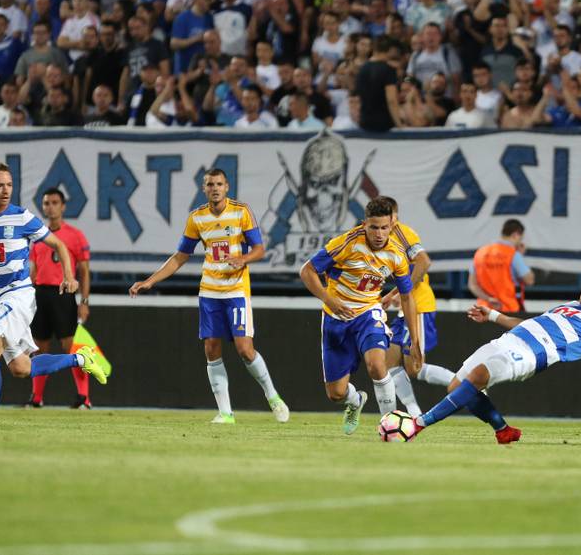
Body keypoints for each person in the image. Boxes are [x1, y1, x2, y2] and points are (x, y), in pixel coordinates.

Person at [0, 163, 106, 431]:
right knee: (21, 367)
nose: (5, 190)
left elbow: (58, 245)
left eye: (9, 185)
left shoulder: (22, 218)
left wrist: (68, 275)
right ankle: (81, 358)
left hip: (18, 295)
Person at [409, 253, 581, 443]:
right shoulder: (569, 306)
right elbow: (528, 324)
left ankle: (418, 424)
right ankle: (503, 430)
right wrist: (493, 315)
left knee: (478, 376)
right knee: (456, 387)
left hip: (531, 353)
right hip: (508, 339)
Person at [129, 169, 289, 424]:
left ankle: (273, 396)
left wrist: (243, 259)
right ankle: (226, 413)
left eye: (219, 184)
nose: (215, 188)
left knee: (244, 349)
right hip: (209, 292)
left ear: (227, 187)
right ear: (204, 189)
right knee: (211, 349)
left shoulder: (241, 212)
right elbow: (180, 257)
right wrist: (150, 280)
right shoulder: (197, 218)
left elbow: (260, 249)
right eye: (210, 184)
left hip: (236, 291)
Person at [299, 196, 423, 435]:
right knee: (335, 394)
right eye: (374, 227)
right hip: (336, 318)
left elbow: (407, 297)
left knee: (377, 365)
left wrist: (415, 340)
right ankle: (355, 401)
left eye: (384, 228)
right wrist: (329, 300)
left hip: (369, 313)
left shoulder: (397, 255)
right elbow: (307, 271)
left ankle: (391, 426)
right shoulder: (347, 243)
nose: (379, 233)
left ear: (392, 226)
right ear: (364, 223)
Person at [378, 197, 454, 418]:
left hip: (419, 306)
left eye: (389, 217)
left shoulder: (403, 234)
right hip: (406, 305)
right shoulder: (381, 237)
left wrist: (397, 293)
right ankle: (413, 413)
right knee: (389, 361)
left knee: (415, 368)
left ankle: (466, 383)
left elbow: (424, 262)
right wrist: (394, 294)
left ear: (395, 216)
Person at [26, 188, 92, 409]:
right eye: (46, 203)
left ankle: (84, 397)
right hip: (40, 294)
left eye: (54, 202)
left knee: (71, 347)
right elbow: (33, 270)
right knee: (37, 347)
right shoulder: (37, 236)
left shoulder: (74, 235)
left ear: (63, 206)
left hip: (63, 293)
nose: (50, 207)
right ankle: (36, 398)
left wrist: (84, 302)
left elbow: (84, 270)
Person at [469, 219, 534, 313]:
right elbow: (529, 280)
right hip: (508, 310)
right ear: (515, 235)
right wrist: (520, 255)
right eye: (520, 239)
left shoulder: (480, 252)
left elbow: (472, 285)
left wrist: (488, 298)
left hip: (483, 311)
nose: (520, 242)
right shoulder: (513, 254)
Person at [356, 35, 403, 131]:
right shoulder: (388, 70)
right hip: (383, 125)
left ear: (373, 48)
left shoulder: (362, 69)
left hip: (365, 122)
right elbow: (392, 100)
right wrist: (399, 125)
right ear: (390, 50)